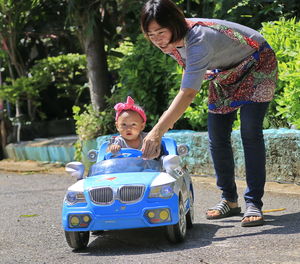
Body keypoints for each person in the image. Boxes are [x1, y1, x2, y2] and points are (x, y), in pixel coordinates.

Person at [140, 0, 278, 227]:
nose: (157, 39)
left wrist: (156, 132)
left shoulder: (198, 39)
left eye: (161, 32)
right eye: (151, 34)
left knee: (250, 131)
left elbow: (187, 93)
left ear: (175, 25)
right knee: (217, 135)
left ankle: (254, 202)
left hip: (257, 63)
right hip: (225, 73)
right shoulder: (170, 42)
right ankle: (229, 200)